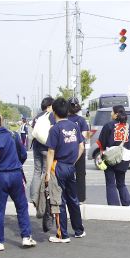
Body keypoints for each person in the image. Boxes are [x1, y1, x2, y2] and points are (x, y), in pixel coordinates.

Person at [0, 112, 36, 251]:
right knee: (22, 206)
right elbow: (22, 154)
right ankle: (26, 237)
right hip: (16, 174)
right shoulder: (13, 135)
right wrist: (16, 164)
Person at [45, 97, 86, 243]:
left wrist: (48, 172)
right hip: (70, 166)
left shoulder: (55, 129)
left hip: (58, 166)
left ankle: (62, 234)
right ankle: (79, 230)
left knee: (59, 201)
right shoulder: (74, 126)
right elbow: (81, 146)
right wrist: (74, 160)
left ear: (54, 111)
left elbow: (51, 152)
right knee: (73, 199)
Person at [96, 105, 130, 206]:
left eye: (112, 112)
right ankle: (127, 204)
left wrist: (101, 154)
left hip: (111, 158)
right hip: (125, 159)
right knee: (121, 183)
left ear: (116, 114)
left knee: (110, 184)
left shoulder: (109, 126)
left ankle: (114, 206)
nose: (111, 114)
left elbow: (101, 143)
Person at [30, 96, 55, 231]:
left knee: (36, 171)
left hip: (36, 146)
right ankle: (42, 199)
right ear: (50, 106)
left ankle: (33, 196)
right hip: (46, 147)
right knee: (46, 173)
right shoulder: (50, 116)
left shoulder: (38, 116)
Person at [67, 96, 89, 203]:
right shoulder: (81, 120)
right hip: (79, 150)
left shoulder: (64, 120)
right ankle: (80, 198)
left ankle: (66, 196)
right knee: (80, 175)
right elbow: (84, 136)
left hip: (66, 150)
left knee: (66, 174)